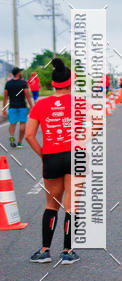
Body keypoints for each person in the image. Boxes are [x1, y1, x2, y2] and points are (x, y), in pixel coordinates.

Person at [25, 57, 79, 264]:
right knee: (71, 204)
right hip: (76, 154)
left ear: (53, 84)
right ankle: (67, 251)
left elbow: (30, 135)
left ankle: (45, 250)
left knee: (51, 204)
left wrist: (44, 155)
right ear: (70, 82)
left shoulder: (41, 104)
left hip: (52, 156)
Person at [2, 67, 33, 148]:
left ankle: (12, 136)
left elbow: (5, 97)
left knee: (12, 124)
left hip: (12, 107)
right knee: (22, 124)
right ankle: (19, 142)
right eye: (21, 72)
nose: (21, 73)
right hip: (22, 106)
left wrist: (3, 109)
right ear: (18, 73)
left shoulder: (8, 83)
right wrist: (32, 106)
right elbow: (27, 95)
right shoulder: (23, 83)